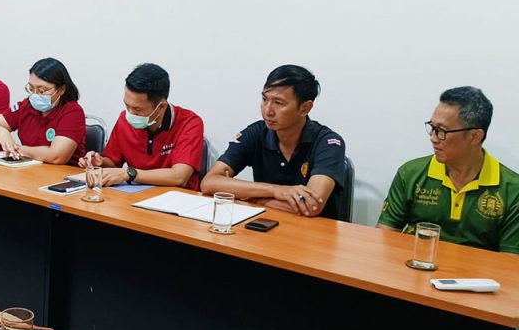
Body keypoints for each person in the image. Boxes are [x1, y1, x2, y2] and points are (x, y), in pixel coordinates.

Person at [378, 87, 518, 254]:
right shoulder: (410, 174)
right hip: (416, 265)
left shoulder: (512, 190)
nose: (433, 138)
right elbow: (384, 239)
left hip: (476, 271)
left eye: (441, 131)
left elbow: (510, 262)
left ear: (475, 136)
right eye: (432, 127)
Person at [201, 65, 346, 219]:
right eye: (265, 99)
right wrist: (275, 190)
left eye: (278, 103)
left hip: (313, 231)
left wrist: (251, 197)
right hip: (265, 225)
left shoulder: (328, 142)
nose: (267, 111)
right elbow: (209, 183)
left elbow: (311, 206)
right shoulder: (256, 132)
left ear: (305, 108)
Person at [79, 63, 204, 189]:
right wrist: (99, 162)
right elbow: (113, 162)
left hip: (177, 196)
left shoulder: (189, 123)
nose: (130, 113)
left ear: (161, 107)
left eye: (137, 109)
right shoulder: (124, 120)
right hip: (135, 195)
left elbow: (179, 177)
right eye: (127, 105)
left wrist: (130, 174)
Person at [0, 57, 86, 165]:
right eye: (31, 88)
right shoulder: (26, 106)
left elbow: (56, 156)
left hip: (63, 173)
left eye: (42, 90)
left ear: (61, 89)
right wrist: (1, 132)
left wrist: (16, 149)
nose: (35, 95)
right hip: (30, 169)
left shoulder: (72, 112)